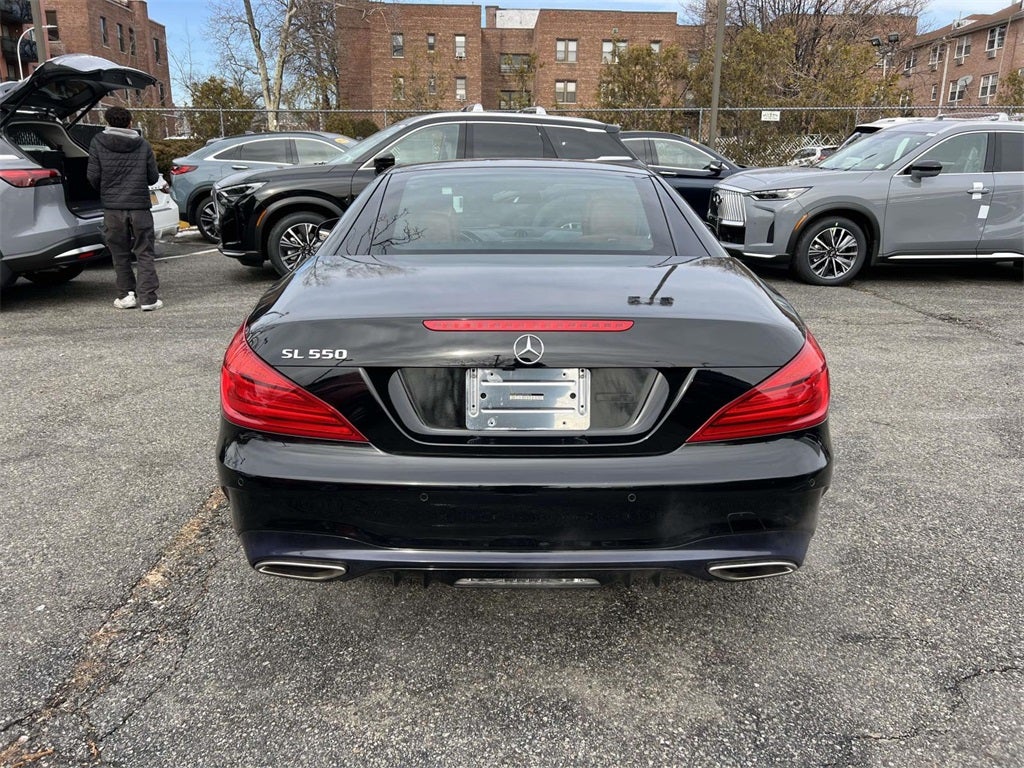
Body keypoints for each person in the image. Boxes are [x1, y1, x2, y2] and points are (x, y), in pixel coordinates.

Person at [87, 106, 163, 311]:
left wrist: (107, 190)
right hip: (139, 207)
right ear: (130, 122)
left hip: (112, 208)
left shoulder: (97, 142)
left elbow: (93, 176)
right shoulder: (143, 144)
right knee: (145, 252)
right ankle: (148, 298)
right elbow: (153, 177)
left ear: (108, 121)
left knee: (119, 253)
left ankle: (126, 296)